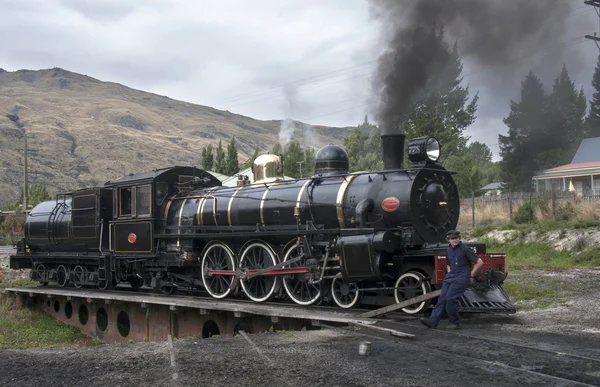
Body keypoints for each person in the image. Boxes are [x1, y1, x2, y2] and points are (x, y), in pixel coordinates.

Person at [420, 230, 484, 330]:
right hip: (451, 277)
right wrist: (449, 272)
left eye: (456, 238)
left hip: (461, 277)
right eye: (452, 239)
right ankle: (433, 321)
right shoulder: (449, 249)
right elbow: (448, 263)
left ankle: (455, 322)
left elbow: (479, 262)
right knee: (442, 298)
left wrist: (471, 274)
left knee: (450, 299)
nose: (454, 240)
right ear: (448, 240)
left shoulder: (465, 249)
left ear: (459, 238)